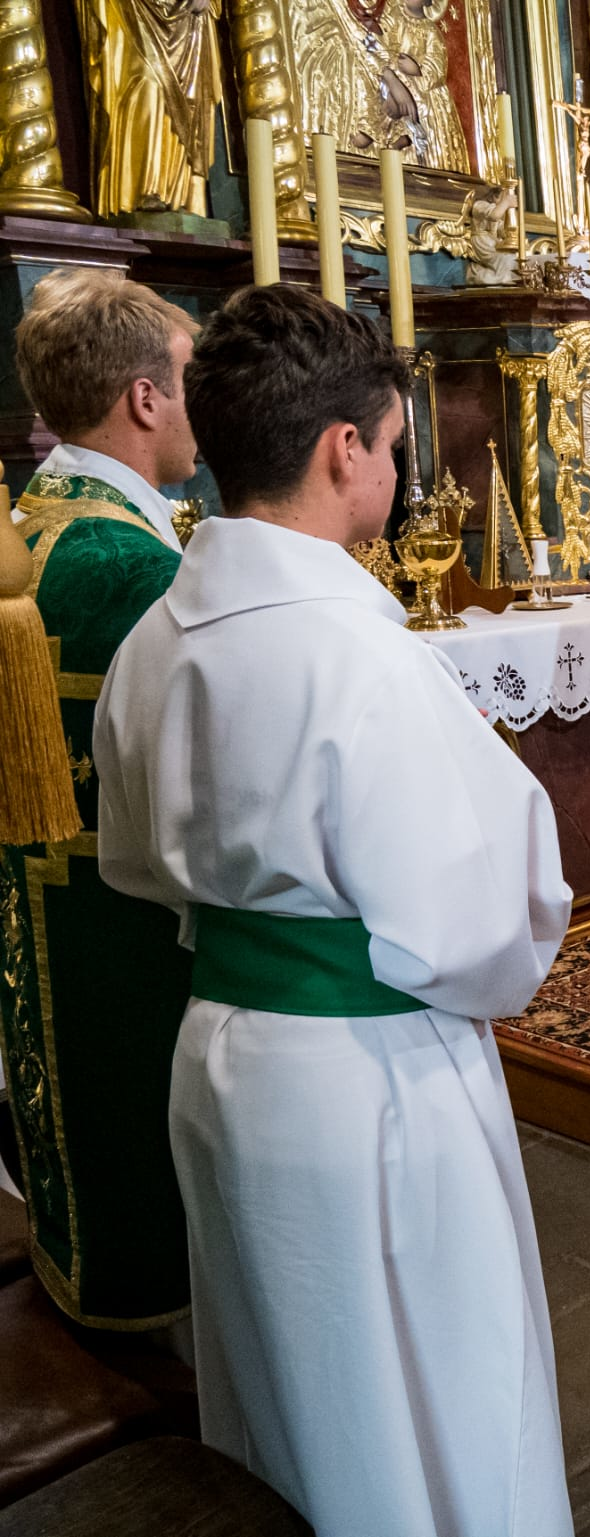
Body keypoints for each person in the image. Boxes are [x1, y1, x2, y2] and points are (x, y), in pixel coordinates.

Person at [93, 284, 574, 1534]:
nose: (400, 474)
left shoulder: (158, 636)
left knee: (289, 1398)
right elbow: (487, 921)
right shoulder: (367, 658)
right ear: (341, 450)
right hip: (375, 1084)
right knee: (439, 1394)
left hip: (218, 1060)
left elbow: (138, 863)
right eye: (398, 449)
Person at [1, 269, 198, 1330]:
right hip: (126, 925)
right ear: (143, 398)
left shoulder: (30, 524)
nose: (197, 400)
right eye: (188, 375)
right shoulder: (132, 568)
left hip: (37, 912)